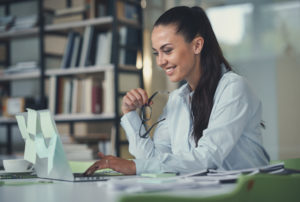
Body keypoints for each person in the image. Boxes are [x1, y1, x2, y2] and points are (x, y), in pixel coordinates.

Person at [84, 6, 270, 176]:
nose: (160, 61)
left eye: (167, 50)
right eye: (157, 53)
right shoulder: (178, 99)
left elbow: (207, 158)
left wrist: (134, 166)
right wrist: (130, 113)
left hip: (246, 192)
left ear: (197, 45)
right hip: (203, 192)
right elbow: (153, 158)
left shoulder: (234, 88)